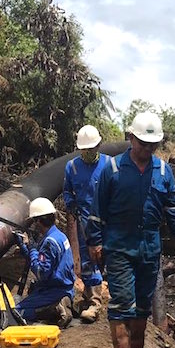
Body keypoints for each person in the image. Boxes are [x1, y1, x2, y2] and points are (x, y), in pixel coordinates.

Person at [87, 111, 175, 348]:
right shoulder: (112, 169)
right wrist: (95, 242)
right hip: (120, 245)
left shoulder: (163, 171)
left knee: (143, 303)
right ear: (131, 137)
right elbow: (97, 210)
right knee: (122, 301)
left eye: (152, 144)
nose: (146, 149)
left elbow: (173, 205)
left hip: (150, 247)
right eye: (142, 143)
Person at [63, 124, 109, 321]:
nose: (89, 153)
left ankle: (118, 300)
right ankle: (93, 301)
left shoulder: (109, 164)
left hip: (107, 220)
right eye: (85, 150)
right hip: (84, 221)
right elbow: (67, 190)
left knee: (110, 258)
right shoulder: (72, 167)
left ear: (98, 146)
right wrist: (70, 203)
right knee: (88, 260)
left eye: (92, 149)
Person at [15, 197, 76, 328]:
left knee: (18, 311)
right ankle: (61, 301)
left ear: (39, 221)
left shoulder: (49, 243)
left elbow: (40, 272)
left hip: (54, 288)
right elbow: (39, 260)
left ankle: (54, 309)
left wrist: (31, 248)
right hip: (65, 286)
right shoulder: (59, 235)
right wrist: (26, 248)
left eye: (34, 221)